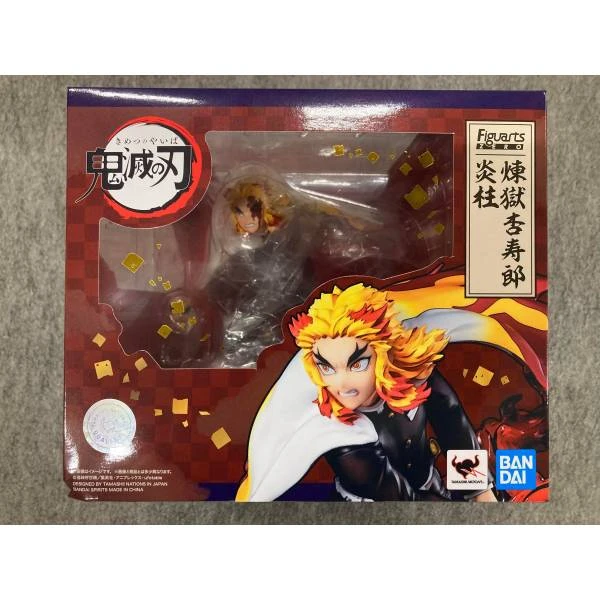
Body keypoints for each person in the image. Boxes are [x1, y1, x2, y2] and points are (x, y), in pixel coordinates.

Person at [236, 274, 547, 501]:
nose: (342, 385)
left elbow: (452, 423)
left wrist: (477, 490)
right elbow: (399, 500)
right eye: (326, 367)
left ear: (385, 354)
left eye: (357, 364)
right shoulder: (339, 435)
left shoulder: (415, 380)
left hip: (430, 486)